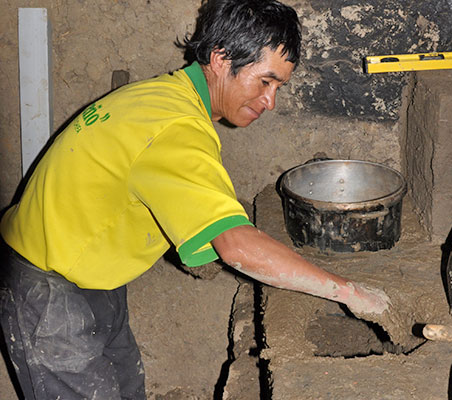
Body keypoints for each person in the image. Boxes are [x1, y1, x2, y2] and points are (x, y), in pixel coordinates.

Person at [0, 0, 390, 398]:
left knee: (126, 387)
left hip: (90, 270)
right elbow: (236, 245)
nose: (270, 101)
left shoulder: (165, 95)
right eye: (265, 82)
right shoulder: (177, 127)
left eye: (278, 87)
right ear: (221, 59)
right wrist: (351, 293)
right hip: (47, 288)